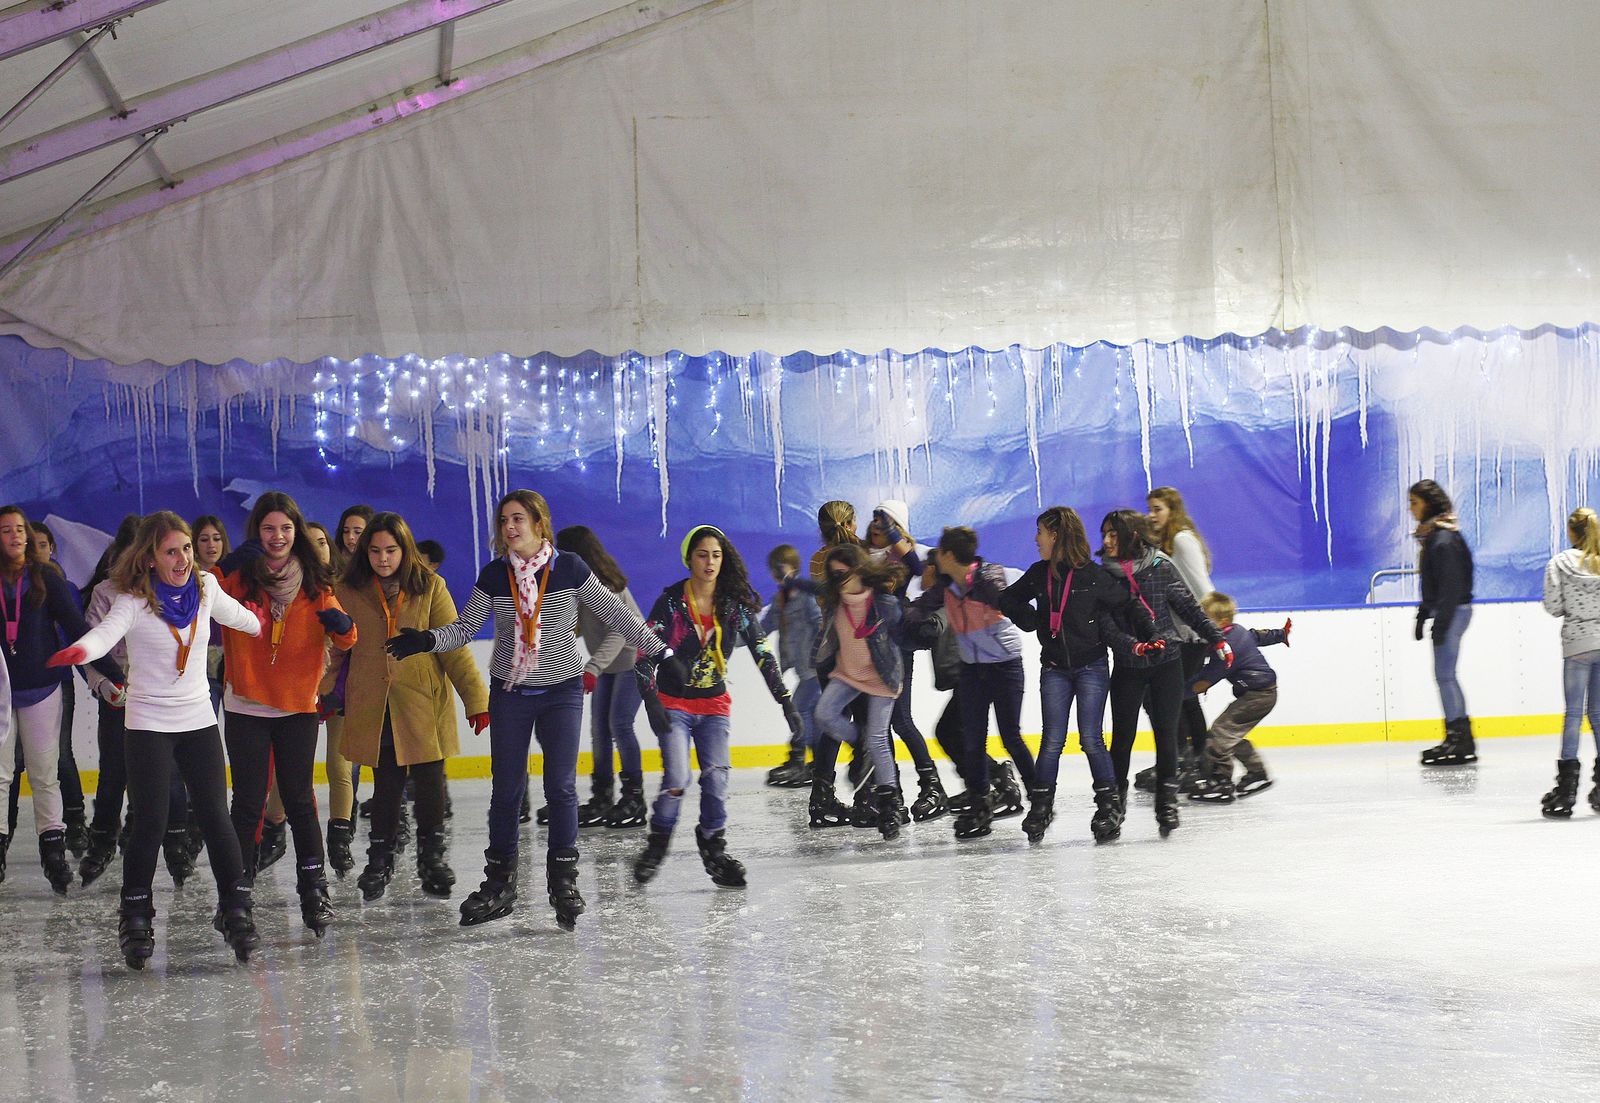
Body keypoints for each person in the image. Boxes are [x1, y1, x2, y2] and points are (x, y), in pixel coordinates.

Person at [385, 489, 665, 930]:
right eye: (504, 521)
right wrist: (425, 640)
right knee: (507, 791)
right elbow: (464, 629)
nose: (510, 527)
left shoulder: (570, 568)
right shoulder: (495, 575)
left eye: (518, 519)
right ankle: (499, 884)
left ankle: (564, 881)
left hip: (562, 692)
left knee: (561, 789)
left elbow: (616, 618)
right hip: (511, 693)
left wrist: (660, 651)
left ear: (539, 523)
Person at [47, 511, 266, 967]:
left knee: (215, 817)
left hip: (197, 720)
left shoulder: (206, 588)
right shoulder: (133, 599)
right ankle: (135, 913)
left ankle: (236, 907)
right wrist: (79, 651)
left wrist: (258, 622)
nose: (184, 558)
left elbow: (243, 620)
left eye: (186, 548)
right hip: (146, 722)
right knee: (150, 820)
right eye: (172, 551)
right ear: (149, 558)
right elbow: (104, 636)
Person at [326, 512, 486, 901]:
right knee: (386, 784)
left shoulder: (430, 586)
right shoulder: (347, 589)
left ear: (405, 550)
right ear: (366, 551)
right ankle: (380, 858)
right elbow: (335, 652)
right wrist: (322, 691)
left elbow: (453, 645)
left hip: (422, 700)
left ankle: (432, 858)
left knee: (431, 782)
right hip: (373, 701)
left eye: (391, 550)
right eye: (376, 550)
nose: (383, 558)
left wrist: (476, 699)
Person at [631, 526, 802, 885]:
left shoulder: (733, 605)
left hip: (713, 707)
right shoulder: (672, 602)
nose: (710, 562)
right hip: (674, 704)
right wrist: (651, 702)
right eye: (702, 555)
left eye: (716, 555)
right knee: (677, 778)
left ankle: (713, 845)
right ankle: (657, 844)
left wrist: (786, 703)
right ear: (689, 558)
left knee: (717, 780)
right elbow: (644, 652)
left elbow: (762, 652)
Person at [218, 492, 356, 936]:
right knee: (248, 802)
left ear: (296, 533)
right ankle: (235, 893)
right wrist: (230, 563)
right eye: (268, 529)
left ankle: (314, 889)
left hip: (297, 706)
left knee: (298, 799)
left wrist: (344, 628)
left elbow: (348, 634)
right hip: (247, 706)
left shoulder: (315, 584)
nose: (277, 537)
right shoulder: (238, 582)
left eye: (285, 529)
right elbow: (200, 592)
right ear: (256, 533)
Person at [998, 506, 1155, 843]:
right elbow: (1008, 599)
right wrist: (1033, 620)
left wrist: (1149, 634)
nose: (1035, 538)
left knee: (1090, 739)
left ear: (1055, 535)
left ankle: (1108, 807)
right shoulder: (1040, 573)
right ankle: (1040, 807)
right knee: (1051, 741)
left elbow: (1128, 602)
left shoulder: (1091, 576)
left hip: (1091, 667)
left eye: (1040, 532)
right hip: (1054, 668)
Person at [0, 505, 123, 892]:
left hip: (42, 688)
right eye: (6, 531)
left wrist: (112, 671)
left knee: (44, 773)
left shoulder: (47, 579)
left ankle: (53, 855)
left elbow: (75, 628)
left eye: (20, 529)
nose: (16, 536)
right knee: (1, 776)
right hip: (1, 693)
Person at [1099, 509, 1230, 838]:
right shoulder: (1104, 576)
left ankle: (1167, 803)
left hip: (1167, 663)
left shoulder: (1160, 566)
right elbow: (1106, 625)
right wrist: (1131, 646)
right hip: (1129, 666)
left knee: (1167, 733)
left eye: (1113, 534)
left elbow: (1189, 607)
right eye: (1104, 534)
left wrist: (1217, 639)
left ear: (1131, 534)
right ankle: (1115, 805)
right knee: (1122, 739)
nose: (1106, 541)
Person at [902, 526, 1030, 840]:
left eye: (935, 561)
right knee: (966, 737)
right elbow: (920, 614)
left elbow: (1003, 598)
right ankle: (982, 797)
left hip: (994, 668)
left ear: (946, 558)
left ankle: (1025, 792)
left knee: (1000, 736)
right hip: (972, 670)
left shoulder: (980, 582)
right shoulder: (946, 590)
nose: (929, 569)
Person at [807, 545, 909, 840]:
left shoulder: (882, 603)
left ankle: (888, 806)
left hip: (880, 679)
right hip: (848, 675)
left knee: (879, 740)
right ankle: (858, 741)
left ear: (860, 571)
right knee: (824, 715)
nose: (840, 579)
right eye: (835, 574)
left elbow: (903, 629)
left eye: (845, 573)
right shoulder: (836, 601)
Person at [555, 525, 648, 829]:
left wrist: (592, 667)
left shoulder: (606, 587)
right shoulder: (578, 584)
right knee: (599, 729)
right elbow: (577, 625)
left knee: (619, 724)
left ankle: (634, 799)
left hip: (635, 656)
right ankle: (602, 798)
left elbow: (622, 631)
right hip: (609, 663)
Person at [7, 521, 89, 857]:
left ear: (51, 547)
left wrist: (96, 676)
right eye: (33, 543)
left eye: (42, 544)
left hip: (56, 682)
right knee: (11, 765)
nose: (36, 549)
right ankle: (5, 831)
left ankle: (75, 822)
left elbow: (76, 629)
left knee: (60, 757)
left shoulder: (58, 585)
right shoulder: (13, 584)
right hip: (15, 684)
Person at [865, 500, 948, 820]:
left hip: (896, 648)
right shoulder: (862, 556)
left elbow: (914, 565)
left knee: (900, 720)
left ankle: (932, 787)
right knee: (878, 725)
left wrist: (889, 528)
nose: (875, 525)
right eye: (873, 520)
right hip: (867, 649)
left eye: (883, 522)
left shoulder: (900, 558)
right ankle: (891, 792)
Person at [1145, 486, 1217, 791]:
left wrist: (1216, 632)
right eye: (1150, 509)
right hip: (1181, 634)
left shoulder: (1181, 540)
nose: (1152, 515)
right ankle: (1188, 758)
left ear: (1172, 510)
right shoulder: (1169, 542)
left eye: (1158, 509)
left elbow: (1204, 588)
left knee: (1179, 698)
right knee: (1178, 698)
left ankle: (1197, 760)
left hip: (1192, 634)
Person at [1185, 593, 1288, 803]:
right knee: (1231, 735)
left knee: (1220, 733)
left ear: (1222, 622)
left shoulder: (1226, 647)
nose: (1201, 624)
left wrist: (1177, 693)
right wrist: (1280, 634)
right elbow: (1258, 636)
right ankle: (1257, 774)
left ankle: (1220, 780)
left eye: (1206, 619)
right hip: (1262, 693)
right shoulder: (1238, 632)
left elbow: (1207, 678)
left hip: (1258, 695)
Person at [1539, 507, 1600, 817]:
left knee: (1574, 714)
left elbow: (1552, 605)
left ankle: (1566, 790)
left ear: (1571, 532)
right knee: (1599, 713)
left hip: (1577, 645)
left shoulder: (1559, 563)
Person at [1410, 480, 1476, 766]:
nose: (1411, 509)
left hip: (1452, 611)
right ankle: (1460, 737)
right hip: (1449, 610)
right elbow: (1436, 583)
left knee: (1445, 675)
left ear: (1429, 503)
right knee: (1447, 675)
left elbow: (1450, 585)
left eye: (1414, 502)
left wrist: (1440, 622)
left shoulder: (1443, 539)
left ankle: (1458, 739)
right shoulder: (1438, 535)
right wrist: (1424, 612)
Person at [760, 545, 821, 788]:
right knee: (814, 716)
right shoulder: (780, 599)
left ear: (793, 568)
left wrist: (820, 657)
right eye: (773, 569)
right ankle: (817, 764)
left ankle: (798, 761)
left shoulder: (807, 596)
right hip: (802, 668)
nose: (776, 574)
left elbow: (819, 624)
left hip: (814, 668)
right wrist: (731, 636)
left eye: (780, 568)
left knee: (799, 708)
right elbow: (764, 627)